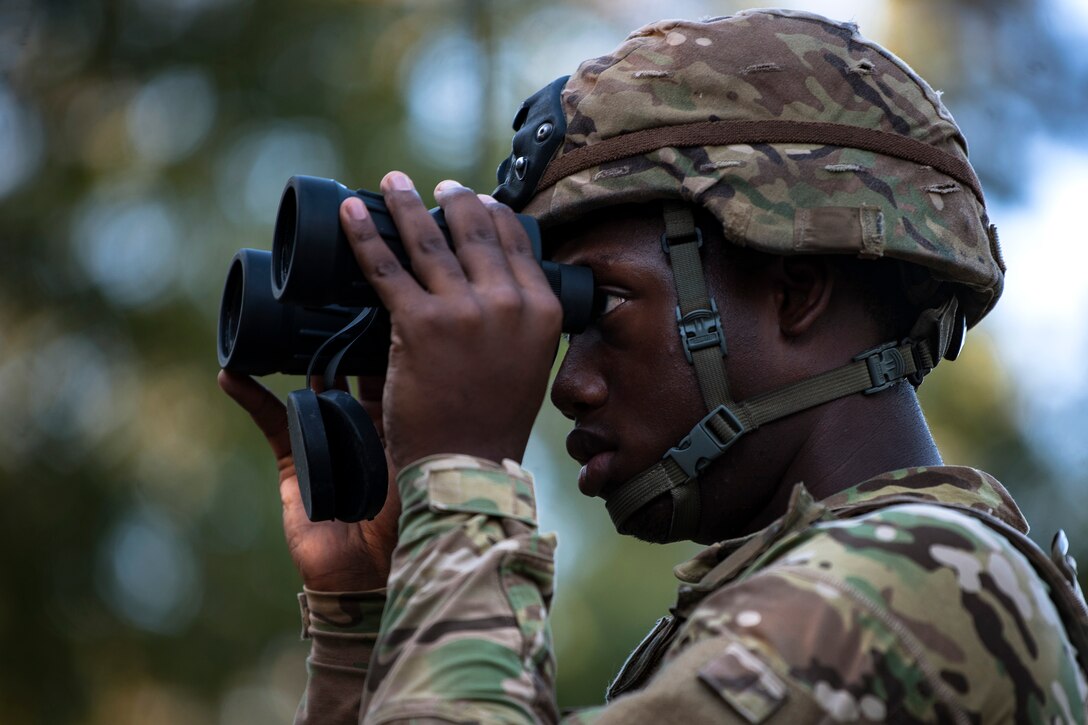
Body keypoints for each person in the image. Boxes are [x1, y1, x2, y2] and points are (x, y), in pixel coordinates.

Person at [220, 9, 1088, 723]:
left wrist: (463, 478)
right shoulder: (819, 603)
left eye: (602, 305)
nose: (566, 382)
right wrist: (367, 619)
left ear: (795, 290)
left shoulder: (907, 595)